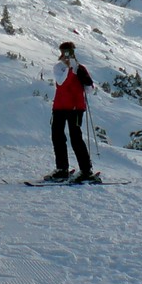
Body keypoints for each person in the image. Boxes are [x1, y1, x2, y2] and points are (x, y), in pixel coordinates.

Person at [48, 41, 96, 182]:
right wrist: (71, 70)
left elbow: (89, 89)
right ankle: (62, 168)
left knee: (75, 138)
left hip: (74, 107)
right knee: (57, 136)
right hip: (60, 107)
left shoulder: (80, 68)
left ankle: (86, 170)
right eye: (65, 52)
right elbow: (61, 83)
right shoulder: (59, 67)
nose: (66, 55)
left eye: (69, 51)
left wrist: (84, 79)